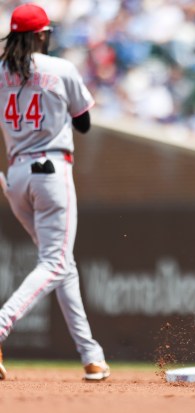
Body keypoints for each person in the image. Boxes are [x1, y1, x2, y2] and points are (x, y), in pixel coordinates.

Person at [0, 3, 110, 381]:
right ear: (41, 35)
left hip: (15, 176)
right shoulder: (60, 68)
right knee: (55, 263)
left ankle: (91, 355)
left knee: (63, 265)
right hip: (50, 171)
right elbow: (84, 124)